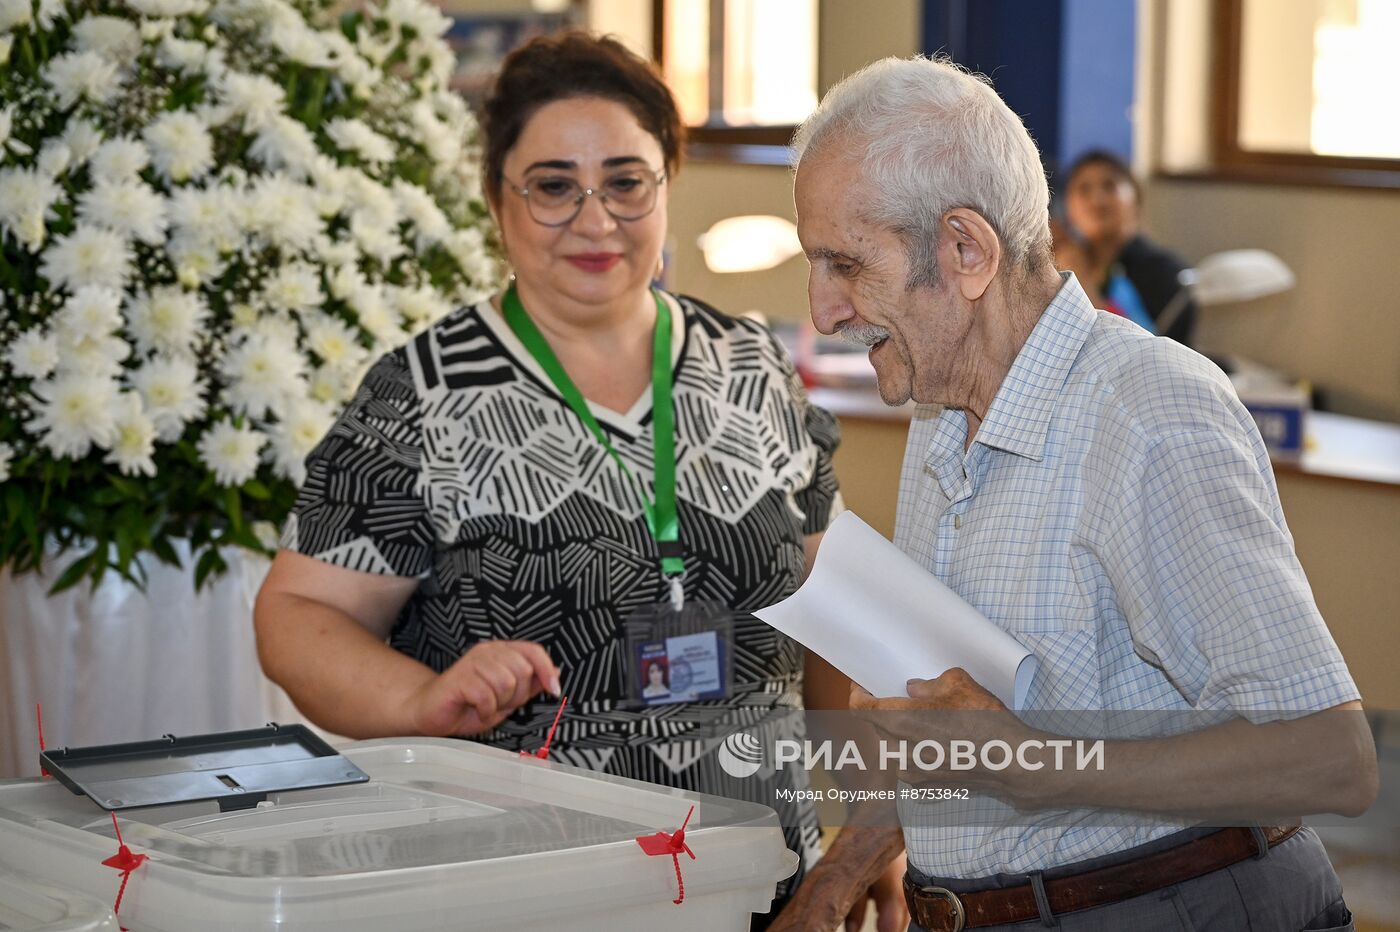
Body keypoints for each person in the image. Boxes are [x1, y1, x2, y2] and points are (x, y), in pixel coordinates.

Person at [253, 31, 905, 930]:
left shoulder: (749, 363)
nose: (595, 219)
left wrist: (870, 829)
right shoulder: (423, 392)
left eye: (626, 182)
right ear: (497, 200)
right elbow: (299, 616)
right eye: (554, 186)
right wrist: (416, 700)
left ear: (667, 186)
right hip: (522, 891)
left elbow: (829, 610)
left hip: (763, 886)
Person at [773, 56, 1378, 931]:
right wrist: (843, 870)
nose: (822, 308)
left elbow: (1333, 759)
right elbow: (961, 730)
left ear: (967, 252)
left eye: (845, 264)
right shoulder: (944, 407)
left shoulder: (1147, 412)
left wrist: (1035, 765)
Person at [1052, 149, 1197, 346]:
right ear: (1067, 207)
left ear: (1135, 199)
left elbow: (1140, 353)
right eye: (1084, 189)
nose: (1097, 200)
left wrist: (1083, 281)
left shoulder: (1163, 271)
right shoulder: (1059, 265)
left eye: (1109, 186)